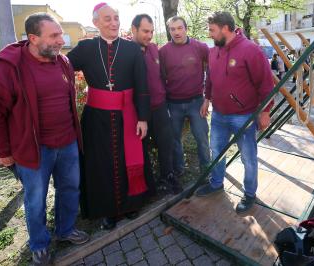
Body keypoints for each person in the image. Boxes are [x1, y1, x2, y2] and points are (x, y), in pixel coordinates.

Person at [0, 13, 89, 265]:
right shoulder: (6, 67)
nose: (61, 40)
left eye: (61, 34)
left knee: (70, 189)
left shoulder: (62, 62)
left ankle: (65, 229)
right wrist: (3, 151)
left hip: (68, 142)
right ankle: (39, 244)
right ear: (33, 38)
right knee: (35, 200)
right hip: (33, 149)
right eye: (55, 35)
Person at [67, 3, 152, 230]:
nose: (114, 23)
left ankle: (131, 204)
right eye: (107, 19)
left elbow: (142, 85)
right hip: (97, 119)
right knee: (101, 165)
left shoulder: (132, 49)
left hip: (129, 116)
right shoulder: (85, 48)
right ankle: (108, 211)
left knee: (128, 160)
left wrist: (143, 118)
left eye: (116, 18)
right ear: (96, 23)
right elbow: (59, 67)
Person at [196, 11, 274, 213]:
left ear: (225, 28)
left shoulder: (251, 50)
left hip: (244, 116)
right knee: (217, 152)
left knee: (248, 158)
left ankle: (249, 194)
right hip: (219, 115)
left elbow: (266, 84)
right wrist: (207, 99)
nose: (210, 34)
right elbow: (210, 78)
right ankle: (216, 183)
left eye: (212, 30)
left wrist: (265, 111)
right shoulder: (214, 52)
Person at [131, 14, 182, 194]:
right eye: (145, 31)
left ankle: (167, 176)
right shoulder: (127, 51)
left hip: (160, 107)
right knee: (142, 150)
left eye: (151, 31)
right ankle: (148, 185)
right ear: (133, 30)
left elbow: (160, 76)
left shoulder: (154, 49)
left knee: (165, 145)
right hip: (138, 113)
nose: (149, 35)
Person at [159, 16, 211, 181]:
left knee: (202, 138)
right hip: (173, 103)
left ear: (186, 28)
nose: (176, 32)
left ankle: (206, 169)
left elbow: (213, 69)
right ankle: (179, 169)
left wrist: (208, 97)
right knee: (175, 140)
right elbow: (160, 77)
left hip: (196, 102)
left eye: (179, 28)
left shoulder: (200, 47)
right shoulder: (164, 51)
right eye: (172, 29)